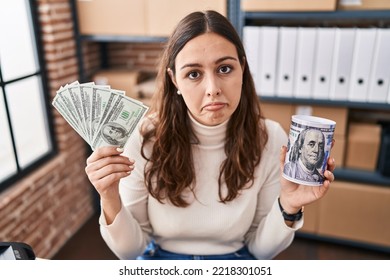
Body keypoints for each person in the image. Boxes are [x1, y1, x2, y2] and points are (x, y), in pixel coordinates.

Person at [85, 10, 335, 260]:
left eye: (225, 69)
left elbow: (260, 250)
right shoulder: (143, 138)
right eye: (193, 74)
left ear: (242, 68)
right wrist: (108, 196)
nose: (213, 89)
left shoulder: (270, 138)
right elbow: (132, 252)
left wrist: (289, 206)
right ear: (174, 80)